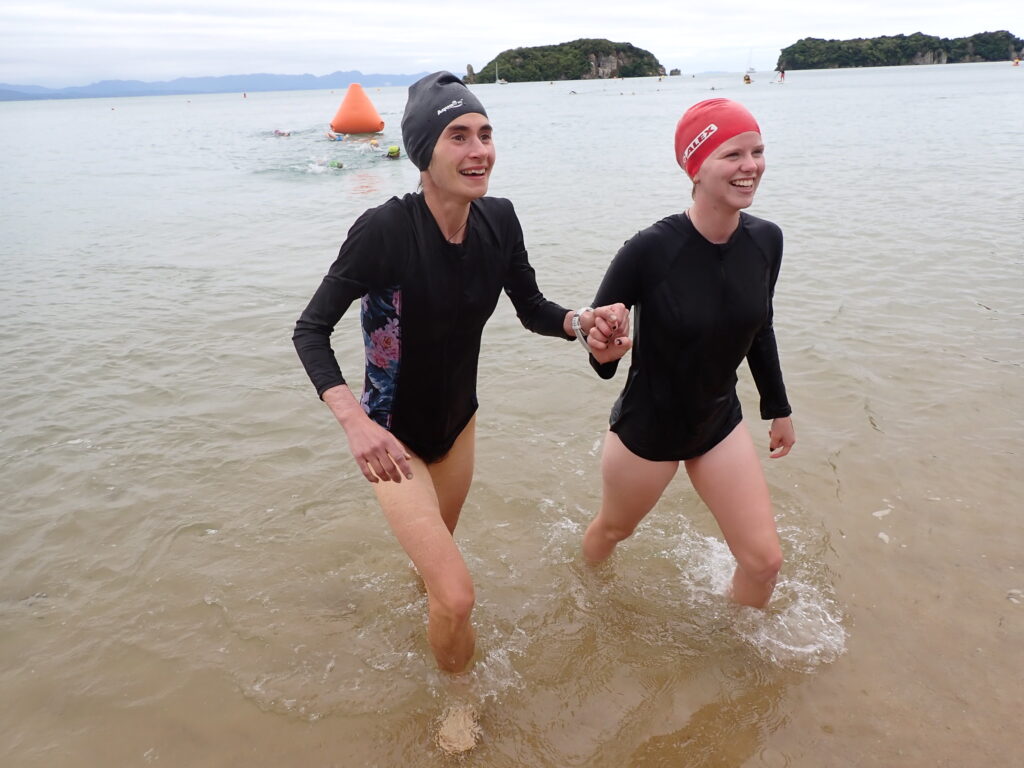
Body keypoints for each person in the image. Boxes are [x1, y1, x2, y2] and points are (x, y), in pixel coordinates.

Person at [293, 71, 629, 674]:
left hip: (459, 429)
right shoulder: (385, 230)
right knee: (457, 593)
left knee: (433, 576)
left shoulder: (499, 221)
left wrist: (584, 323)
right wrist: (354, 423)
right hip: (392, 443)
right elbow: (310, 330)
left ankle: (420, 624)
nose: (479, 152)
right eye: (458, 136)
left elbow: (533, 310)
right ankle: (457, 701)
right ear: (424, 152)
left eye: (486, 134)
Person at [581, 98, 796, 609]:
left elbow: (759, 327)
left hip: (717, 422)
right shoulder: (649, 250)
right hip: (647, 430)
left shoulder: (767, 240)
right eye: (733, 155)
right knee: (612, 532)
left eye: (757, 151)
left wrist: (778, 408)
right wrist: (605, 347)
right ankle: (587, 596)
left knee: (764, 563)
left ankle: (736, 653)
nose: (751, 167)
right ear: (695, 167)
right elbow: (600, 354)